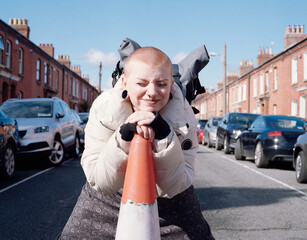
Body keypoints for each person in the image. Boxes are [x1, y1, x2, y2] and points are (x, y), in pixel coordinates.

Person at [58, 46, 215, 239]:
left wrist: (165, 136)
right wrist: (123, 138)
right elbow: (99, 179)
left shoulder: (185, 115)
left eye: (161, 84)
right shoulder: (104, 108)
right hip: (108, 199)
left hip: (173, 204)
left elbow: (178, 184)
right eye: (142, 83)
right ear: (125, 82)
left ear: (171, 83)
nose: (152, 92)